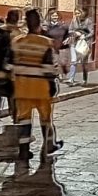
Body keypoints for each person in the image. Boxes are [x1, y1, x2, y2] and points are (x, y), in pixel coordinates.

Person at [10, 9, 62, 163]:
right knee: (46, 119)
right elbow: (49, 69)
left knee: (24, 120)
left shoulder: (17, 42)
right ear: (39, 24)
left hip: (22, 87)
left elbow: (10, 64)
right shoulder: (45, 42)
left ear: (26, 23)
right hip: (41, 88)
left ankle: (24, 151)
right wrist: (53, 84)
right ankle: (49, 145)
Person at [66, 8, 95, 85]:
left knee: (84, 63)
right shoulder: (74, 21)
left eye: (78, 13)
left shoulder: (88, 21)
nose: (77, 15)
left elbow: (92, 32)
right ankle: (71, 79)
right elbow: (70, 30)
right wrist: (75, 33)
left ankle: (85, 79)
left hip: (84, 44)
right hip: (74, 43)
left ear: (82, 13)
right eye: (75, 13)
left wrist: (84, 36)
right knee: (73, 61)